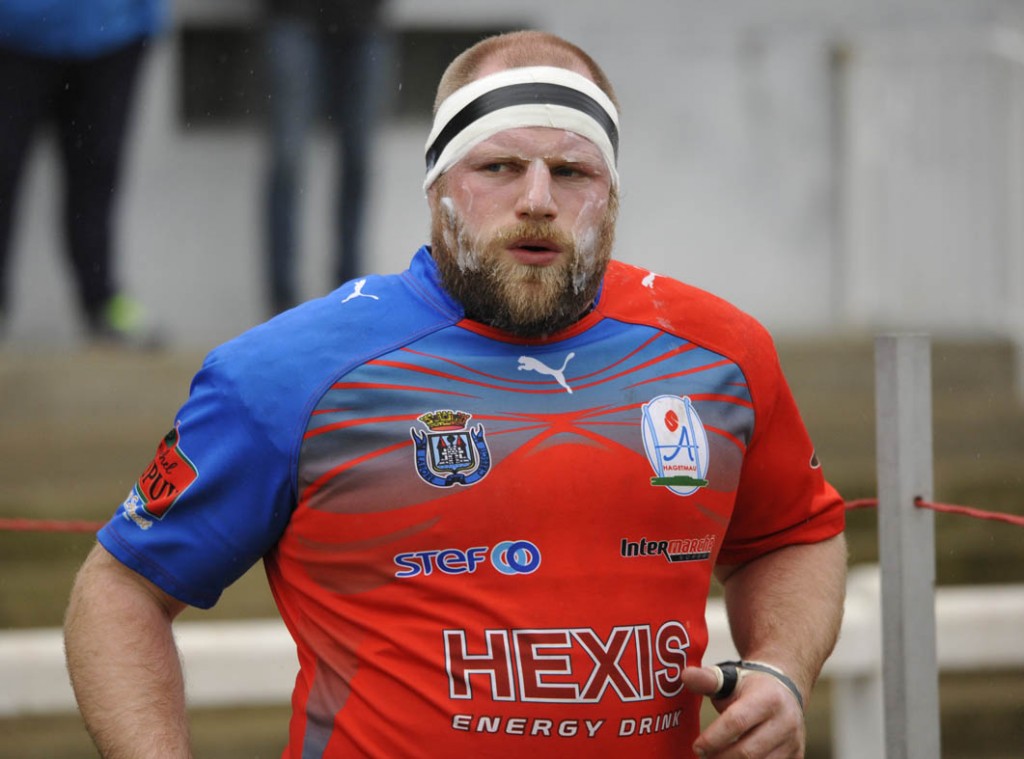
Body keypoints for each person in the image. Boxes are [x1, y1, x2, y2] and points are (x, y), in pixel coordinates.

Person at [64, 30, 847, 758]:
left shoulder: (721, 354)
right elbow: (121, 590)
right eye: (498, 167)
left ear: (612, 194)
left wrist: (782, 670)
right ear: (437, 185)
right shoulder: (286, 373)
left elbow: (793, 534)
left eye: (572, 171)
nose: (537, 198)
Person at [0, 0, 166, 345]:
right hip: (14, 35)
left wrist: (149, 18)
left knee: (98, 175)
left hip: (114, 32)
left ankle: (101, 301)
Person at [263, 0, 392, 315]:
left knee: (358, 160)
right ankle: (283, 304)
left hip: (364, 21)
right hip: (293, 16)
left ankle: (351, 299)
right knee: (288, 162)